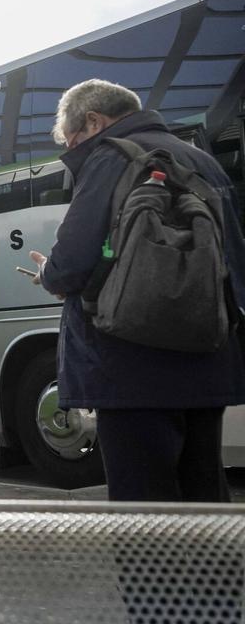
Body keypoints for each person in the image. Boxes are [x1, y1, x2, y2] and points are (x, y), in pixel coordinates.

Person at [28, 78, 245, 502]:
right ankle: (215, 571)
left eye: (73, 141)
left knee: (143, 502)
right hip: (208, 352)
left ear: (94, 121)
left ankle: (154, 573)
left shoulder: (111, 157)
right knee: (203, 489)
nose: (74, 151)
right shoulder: (204, 160)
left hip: (129, 360)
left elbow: (72, 259)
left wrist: (49, 275)